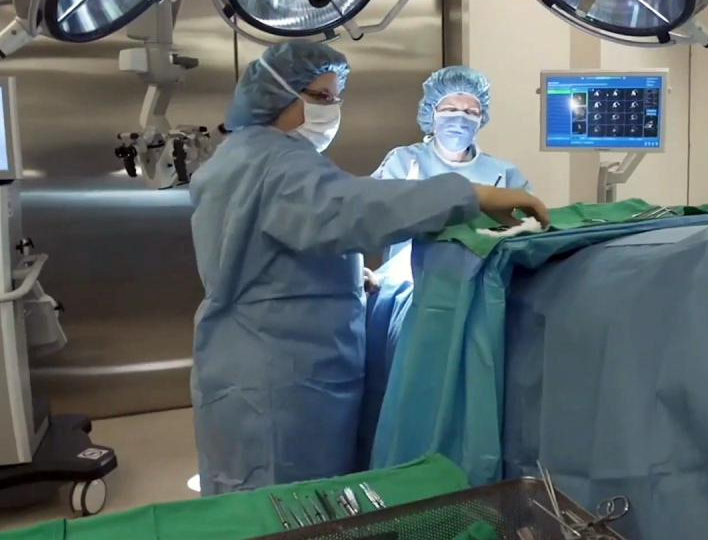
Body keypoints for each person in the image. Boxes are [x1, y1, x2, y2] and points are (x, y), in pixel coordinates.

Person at [189, 41, 549, 497]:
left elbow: (274, 240)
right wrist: (470, 196)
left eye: (335, 97)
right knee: (286, 503)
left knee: (261, 498)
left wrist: (338, 271)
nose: (331, 109)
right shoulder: (274, 161)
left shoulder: (246, 156)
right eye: (319, 97)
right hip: (278, 373)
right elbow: (349, 209)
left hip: (256, 354)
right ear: (277, 95)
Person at [373, 66, 532, 190]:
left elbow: (529, 224)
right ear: (431, 115)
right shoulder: (403, 163)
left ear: (480, 120)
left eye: (470, 112)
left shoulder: (503, 174)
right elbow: (373, 218)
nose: (460, 118)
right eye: (450, 110)